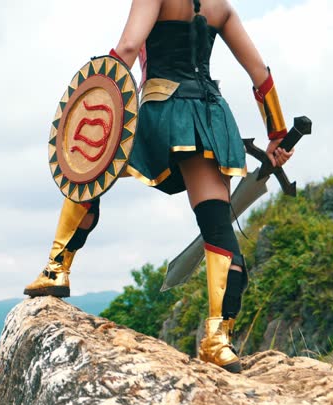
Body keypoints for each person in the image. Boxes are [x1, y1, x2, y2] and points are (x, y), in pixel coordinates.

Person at [24, 0, 294, 373]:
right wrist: (277, 132)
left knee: (87, 167)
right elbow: (259, 72)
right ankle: (218, 341)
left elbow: (128, 49)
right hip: (209, 118)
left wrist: (96, 97)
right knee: (218, 228)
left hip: (161, 112)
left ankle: (57, 268)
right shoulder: (221, 7)